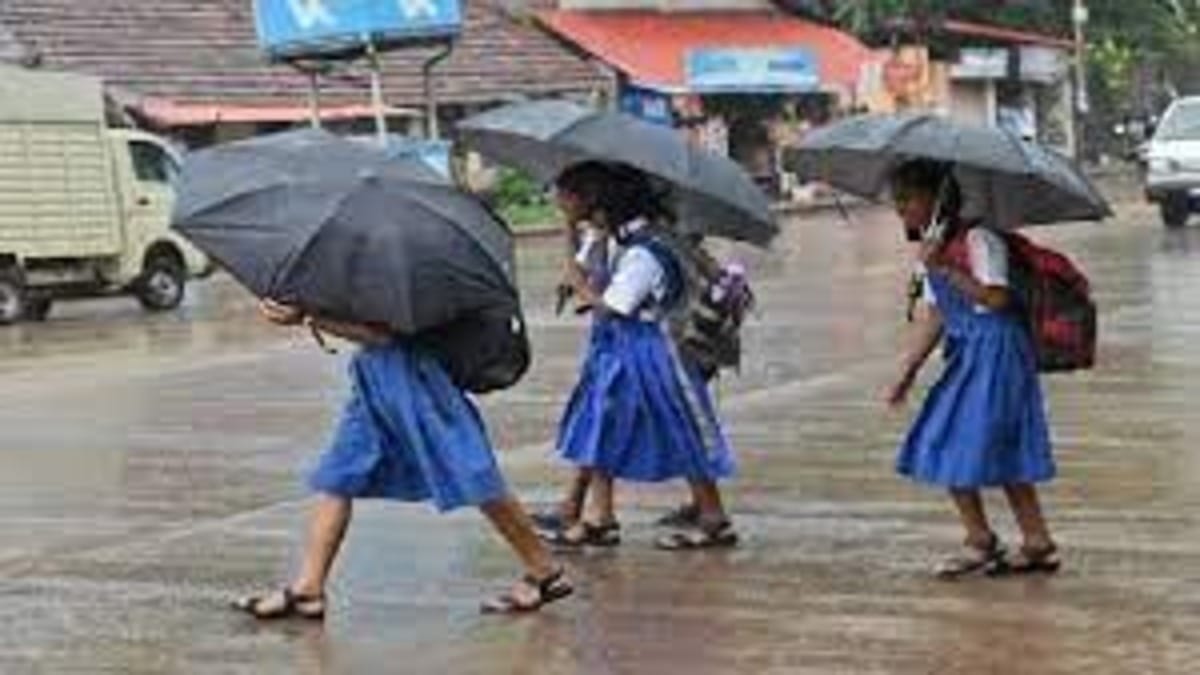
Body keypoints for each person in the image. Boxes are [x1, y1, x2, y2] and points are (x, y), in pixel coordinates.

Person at [232, 302, 573, 619]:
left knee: (473, 472)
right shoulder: (378, 263)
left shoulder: (406, 268)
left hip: (416, 379)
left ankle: (543, 571)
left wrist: (310, 318)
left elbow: (381, 333)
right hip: (374, 376)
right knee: (339, 474)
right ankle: (309, 587)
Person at [542, 162, 739, 550]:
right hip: (623, 348)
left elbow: (615, 305)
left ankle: (713, 516)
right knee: (601, 424)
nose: (559, 201)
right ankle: (599, 517)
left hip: (652, 354)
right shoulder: (620, 239)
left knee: (681, 427)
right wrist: (571, 236)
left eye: (566, 195)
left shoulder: (644, 252)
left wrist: (581, 286)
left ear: (594, 202)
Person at [885, 160, 1060, 579]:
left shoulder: (980, 240)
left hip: (999, 351)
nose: (901, 209)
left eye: (908, 199)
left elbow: (997, 299)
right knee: (945, 437)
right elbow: (937, 317)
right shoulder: (932, 247)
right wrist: (908, 370)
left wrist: (944, 268)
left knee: (995, 443)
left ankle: (1022, 542)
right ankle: (988, 538)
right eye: (897, 201)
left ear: (936, 199)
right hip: (967, 355)